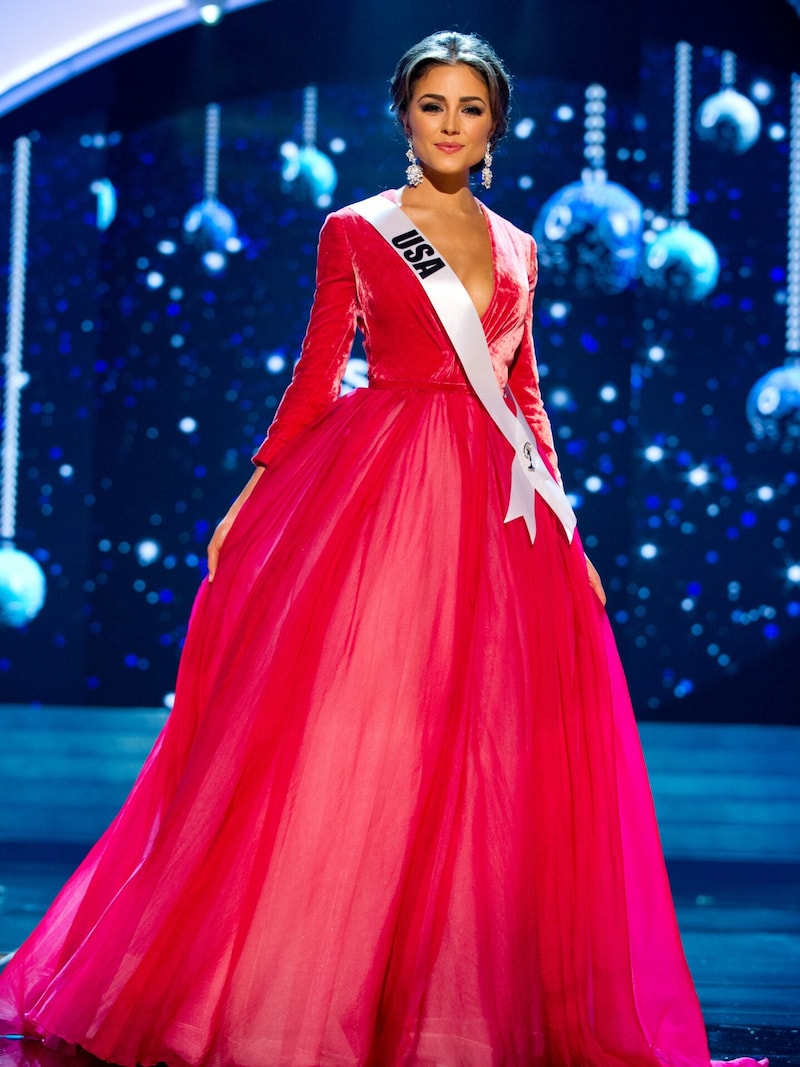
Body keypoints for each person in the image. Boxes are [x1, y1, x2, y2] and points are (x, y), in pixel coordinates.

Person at [0, 30, 767, 1067]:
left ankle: (442, 1000)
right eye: (431, 106)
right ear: (403, 116)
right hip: (379, 489)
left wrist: (567, 524)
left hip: (497, 511)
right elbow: (317, 377)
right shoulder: (358, 230)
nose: (449, 124)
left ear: (495, 125)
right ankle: (298, 984)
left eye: (469, 108)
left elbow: (527, 398)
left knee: (477, 742)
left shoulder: (521, 247)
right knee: (360, 728)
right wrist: (251, 492)